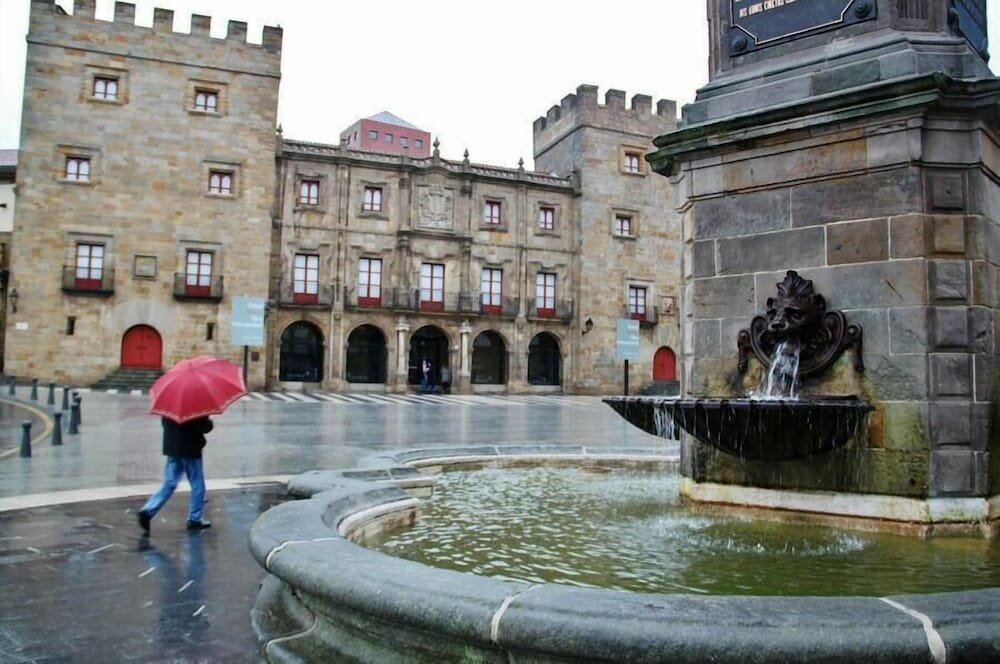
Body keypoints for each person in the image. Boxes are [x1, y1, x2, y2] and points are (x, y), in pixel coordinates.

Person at [137, 416, 214, 532]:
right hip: (191, 448)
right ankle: (195, 518)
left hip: (173, 447)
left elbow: (164, 423)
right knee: (197, 482)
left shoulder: (171, 404)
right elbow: (204, 427)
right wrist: (209, 421)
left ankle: (148, 510)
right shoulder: (195, 406)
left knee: (169, 482)